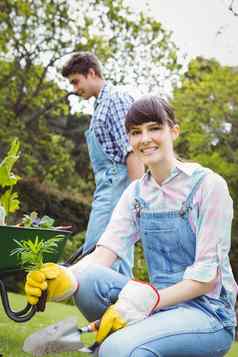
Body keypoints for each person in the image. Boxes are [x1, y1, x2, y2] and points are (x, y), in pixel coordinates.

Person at [25, 96, 237, 357]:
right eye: (136, 132)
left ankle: (120, 345)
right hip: (158, 305)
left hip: (208, 313)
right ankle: (133, 342)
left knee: (116, 349)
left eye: (154, 128)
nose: (145, 138)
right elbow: (105, 253)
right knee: (88, 279)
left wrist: (146, 301)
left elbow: (206, 279)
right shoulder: (136, 194)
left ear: (174, 131)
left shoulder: (208, 186)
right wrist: (64, 276)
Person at [61, 52, 144, 277]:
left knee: (96, 252)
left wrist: (138, 198)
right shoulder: (100, 104)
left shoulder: (115, 99)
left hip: (117, 188)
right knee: (118, 255)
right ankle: (124, 311)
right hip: (108, 187)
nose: (75, 88)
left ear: (91, 73)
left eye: (76, 81)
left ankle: (110, 309)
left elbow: (132, 152)